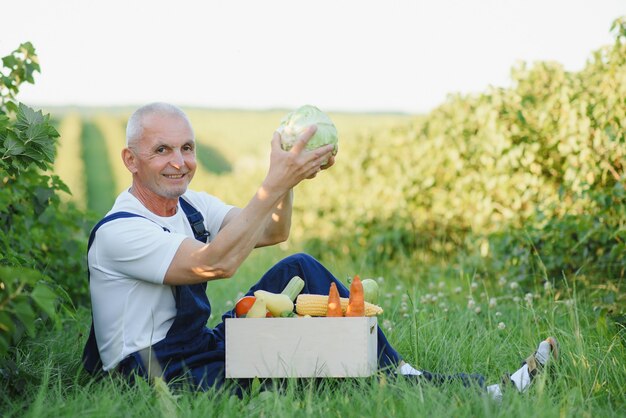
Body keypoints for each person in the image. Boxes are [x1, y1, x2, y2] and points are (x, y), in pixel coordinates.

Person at [83, 102, 558, 400]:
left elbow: (273, 232)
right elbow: (216, 263)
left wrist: (288, 177)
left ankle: (404, 372)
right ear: (130, 160)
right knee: (301, 367)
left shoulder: (190, 206)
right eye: (162, 150)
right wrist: (275, 181)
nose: (180, 162)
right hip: (152, 374)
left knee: (300, 267)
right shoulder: (120, 232)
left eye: (186, 148)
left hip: (199, 347)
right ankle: (473, 393)